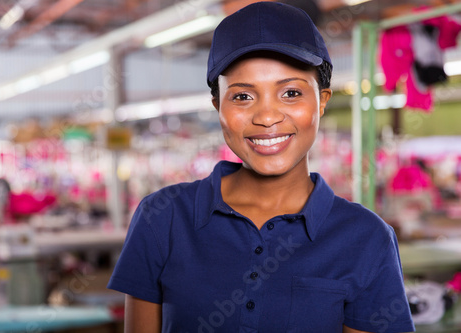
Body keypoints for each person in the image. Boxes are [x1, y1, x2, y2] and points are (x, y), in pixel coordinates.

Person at [108, 2, 415, 332]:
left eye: (291, 92)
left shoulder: (366, 238)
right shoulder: (162, 218)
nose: (267, 117)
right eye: (242, 97)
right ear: (218, 106)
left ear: (322, 100)